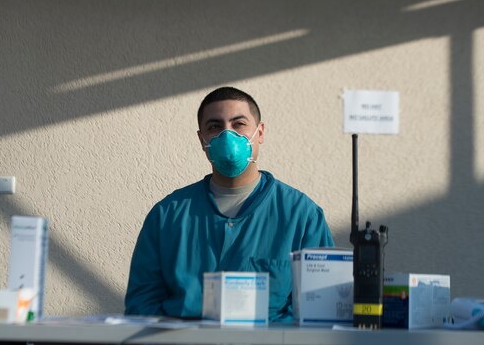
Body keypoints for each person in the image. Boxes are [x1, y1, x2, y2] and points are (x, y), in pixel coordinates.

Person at [124, 86, 334, 321]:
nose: (227, 135)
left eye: (238, 124)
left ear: (260, 132)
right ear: (201, 139)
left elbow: (321, 308)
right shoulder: (166, 216)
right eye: (215, 127)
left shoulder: (302, 216)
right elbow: (141, 304)